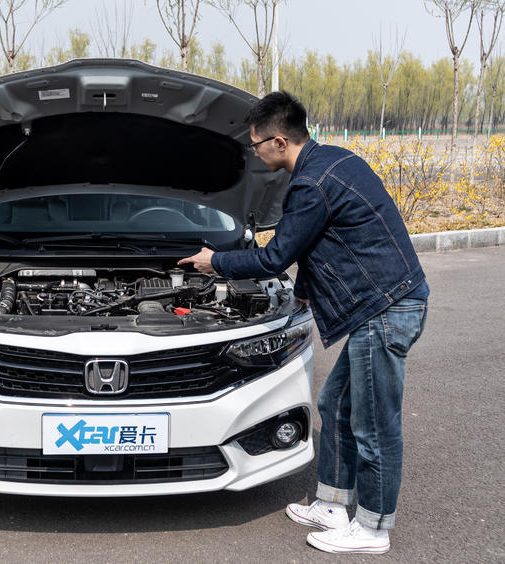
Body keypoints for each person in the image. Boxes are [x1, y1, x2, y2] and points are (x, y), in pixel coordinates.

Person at [178, 91, 428, 554]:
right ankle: (333, 503)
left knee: (374, 423)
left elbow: (276, 257)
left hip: (387, 308)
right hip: (383, 303)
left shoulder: (310, 185)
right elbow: (318, 246)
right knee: (335, 406)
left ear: (278, 141)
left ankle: (373, 529)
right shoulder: (333, 161)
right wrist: (301, 299)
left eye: (256, 145)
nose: (254, 154)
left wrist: (217, 262)